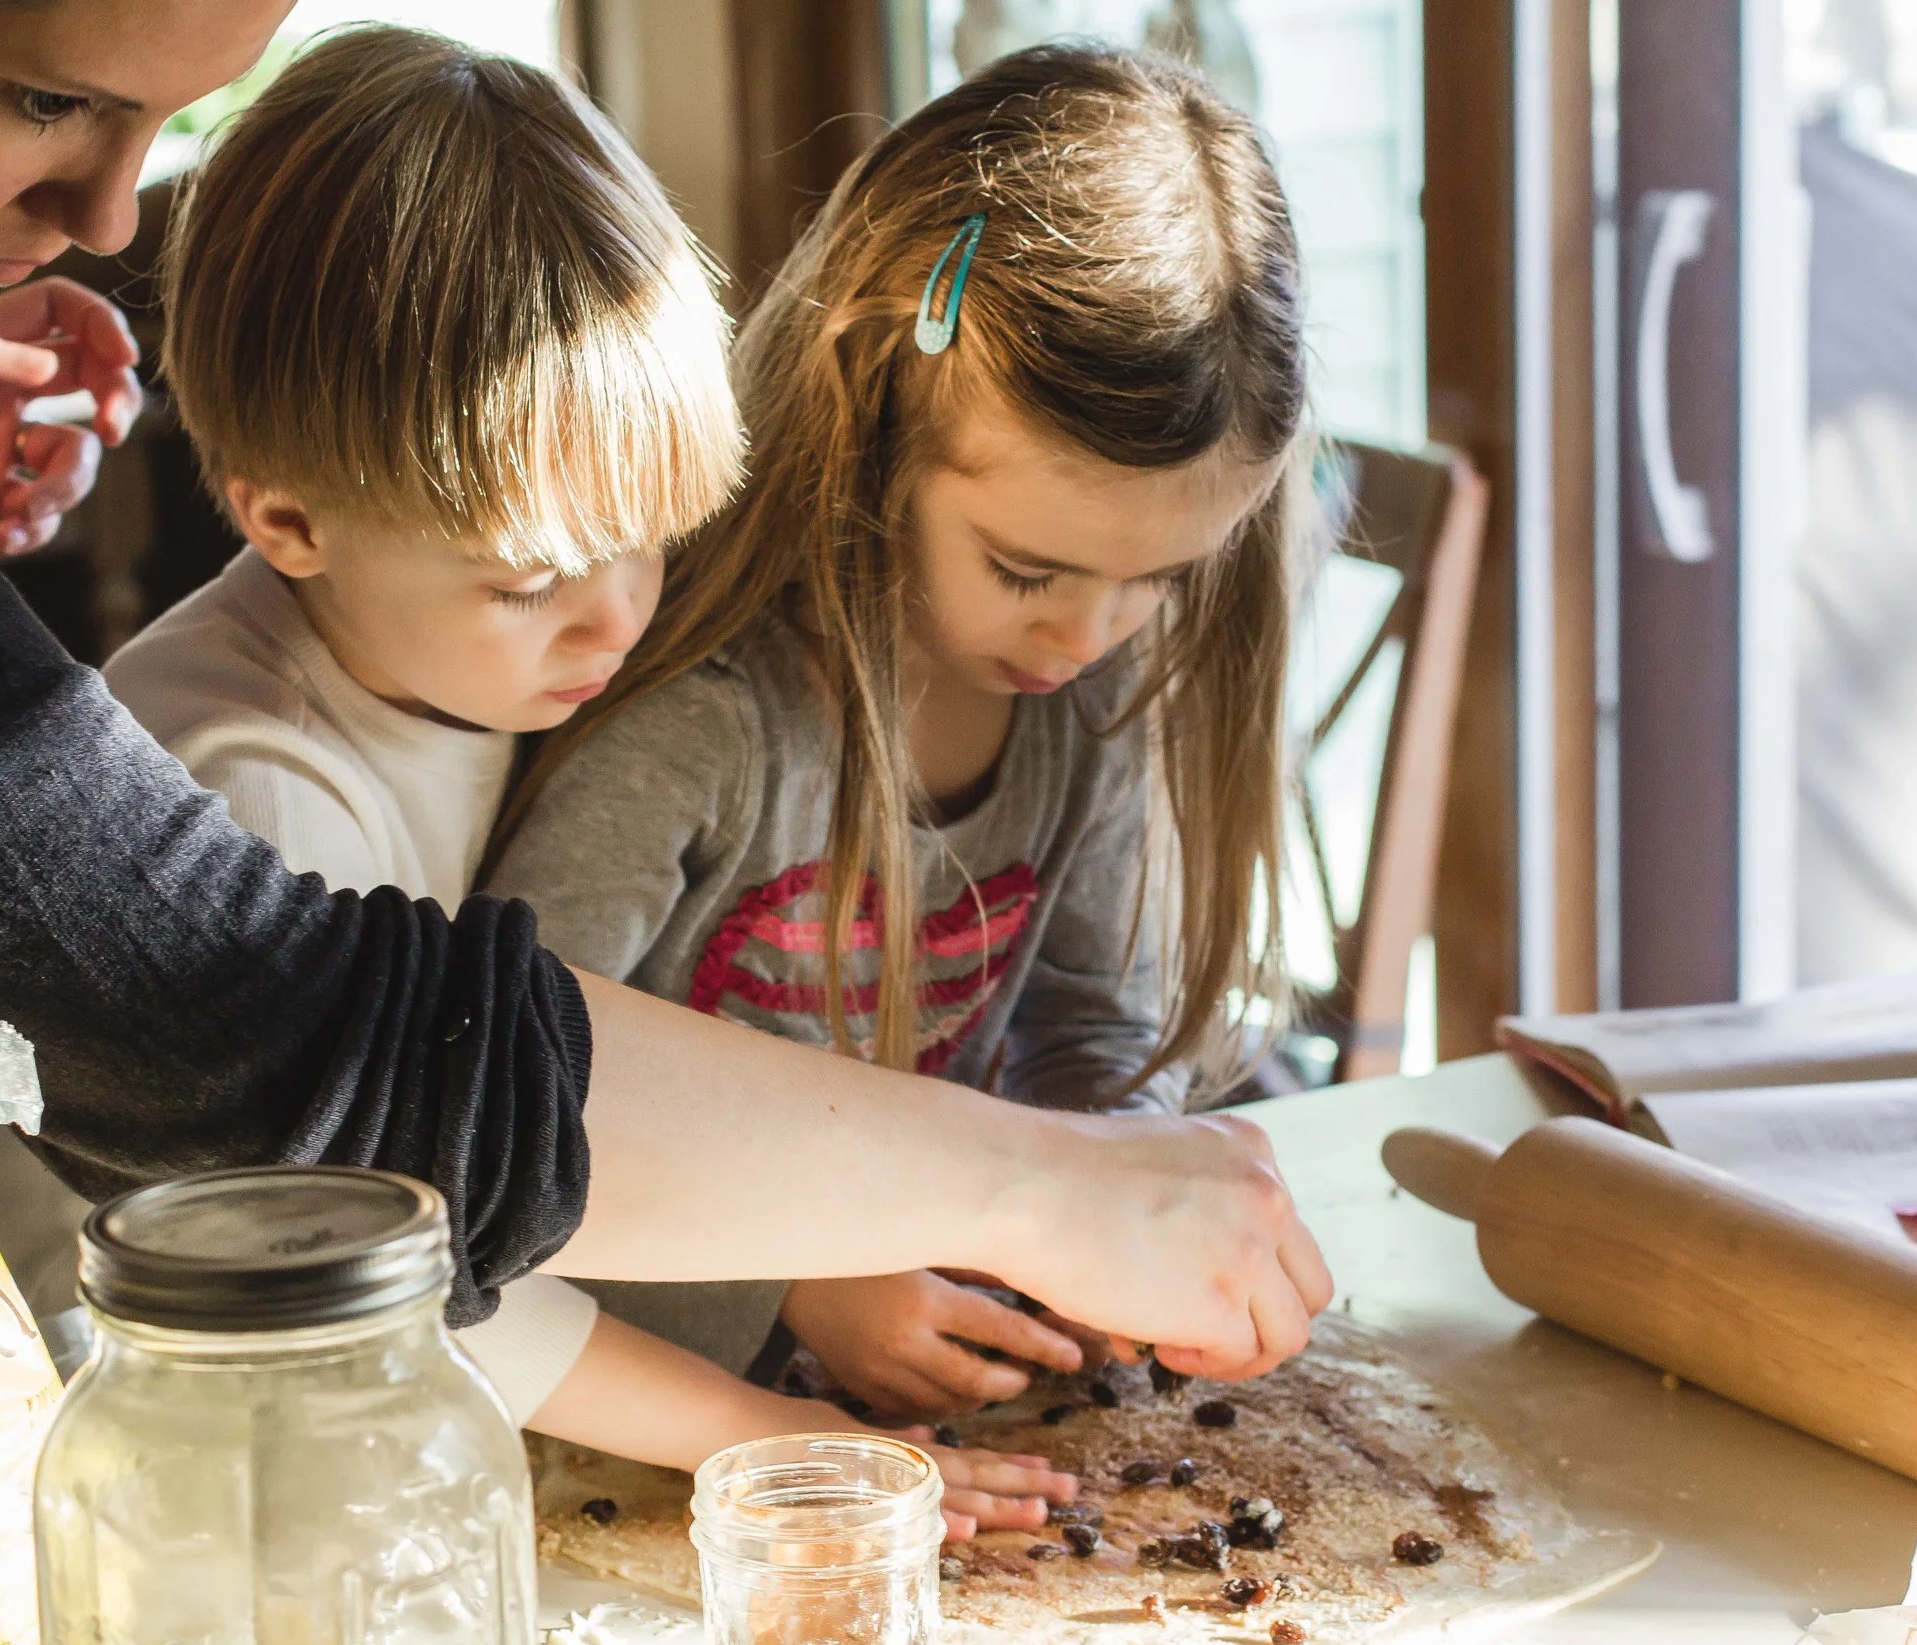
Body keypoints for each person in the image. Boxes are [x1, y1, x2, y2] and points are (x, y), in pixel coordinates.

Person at [0, 0, 1328, 1382]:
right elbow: (290, 1060)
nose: (107, 217)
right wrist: (1035, 1187)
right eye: (47, 96)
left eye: (161, 122)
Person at [102, 27, 1074, 1533]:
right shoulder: (247, 790)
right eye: (537, 577)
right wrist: (761, 1434)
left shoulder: (487, 644)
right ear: (285, 519)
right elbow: (406, 1269)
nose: (620, 617)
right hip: (172, 1463)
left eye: (651, 534)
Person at [487, 44, 1312, 1415]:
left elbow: (1085, 1029)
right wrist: (802, 1279)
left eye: (1159, 580)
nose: (1085, 639)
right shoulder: (703, 725)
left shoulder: (1090, 705)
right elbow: (510, 1111)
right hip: (651, 1415)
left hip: (924, 1408)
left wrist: (1119, 1201)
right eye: (1029, 569)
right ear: (871, 418)